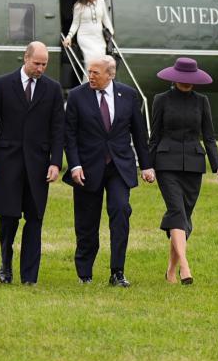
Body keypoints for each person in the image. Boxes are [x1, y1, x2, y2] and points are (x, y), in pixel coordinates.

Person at [64, 55, 153, 287]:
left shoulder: (128, 95)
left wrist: (146, 165)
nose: (90, 76)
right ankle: (84, 273)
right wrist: (74, 165)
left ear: (110, 75)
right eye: (89, 71)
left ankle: (117, 272)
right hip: (87, 168)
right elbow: (69, 135)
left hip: (119, 167)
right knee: (87, 222)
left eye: (95, 72)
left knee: (121, 212)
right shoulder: (76, 96)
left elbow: (138, 133)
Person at [0, 41, 65, 286]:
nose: (40, 68)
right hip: (8, 162)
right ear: (25, 58)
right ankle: (5, 265)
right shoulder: (2, 84)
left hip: (39, 166)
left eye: (44, 64)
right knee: (8, 219)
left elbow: (58, 129)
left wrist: (55, 162)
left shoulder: (52, 89)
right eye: (37, 63)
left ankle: (30, 276)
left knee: (35, 219)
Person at [148, 58, 218, 285]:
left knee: (183, 217)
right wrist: (148, 166)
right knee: (176, 211)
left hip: (193, 165)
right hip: (166, 164)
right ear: (175, 78)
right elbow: (154, 136)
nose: (187, 82)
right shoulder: (161, 100)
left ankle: (171, 271)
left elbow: (209, 137)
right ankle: (185, 266)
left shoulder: (202, 102)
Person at [64, 0, 114, 64]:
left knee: (101, 60)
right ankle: (88, 73)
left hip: (99, 37)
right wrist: (69, 37)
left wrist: (111, 33)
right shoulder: (78, 6)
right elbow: (75, 23)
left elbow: (105, 19)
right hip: (85, 37)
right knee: (90, 60)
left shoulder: (101, 1)